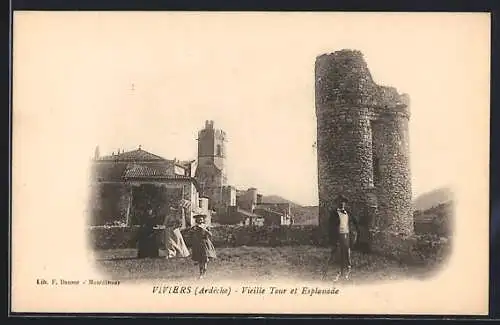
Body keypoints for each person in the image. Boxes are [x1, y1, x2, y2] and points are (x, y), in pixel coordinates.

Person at [323, 194, 360, 281]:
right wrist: (332, 240)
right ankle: (336, 274)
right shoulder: (334, 214)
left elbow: (355, 224)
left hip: (347, 236)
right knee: (337, 256)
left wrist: (355, 234)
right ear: (336, 203)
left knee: (347, 255)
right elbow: (330, 228)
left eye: (343, 202)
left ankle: (346, 274)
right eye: (339, 202)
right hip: (338, 236)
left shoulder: (348, 214)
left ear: (345, 203)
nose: (341, 203)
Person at [188, 214, 217, 279]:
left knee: (205, 259)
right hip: (198, 245)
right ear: (196, 220)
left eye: (201, 219)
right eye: (198, 219)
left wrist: (205, 230)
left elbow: (210, 235)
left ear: (203, 220)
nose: (200, 220)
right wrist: (192, 233)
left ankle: (204, 273)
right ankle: (201, 274)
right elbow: (190, 235)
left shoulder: (206, 227)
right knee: (200, 260)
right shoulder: (194, 227)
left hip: (205, 244)